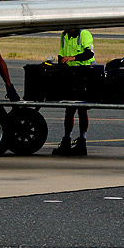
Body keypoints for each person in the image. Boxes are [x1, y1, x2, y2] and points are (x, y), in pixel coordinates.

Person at [53, 26, 95, 156]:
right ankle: (67, 139)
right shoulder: (64, 35)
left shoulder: (84, 34)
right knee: (69, 109)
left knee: (82, 109)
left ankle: (82, 141)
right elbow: (61, 55)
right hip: (71, 74)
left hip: (85, 73)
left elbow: (90, 53)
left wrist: (73, 58)